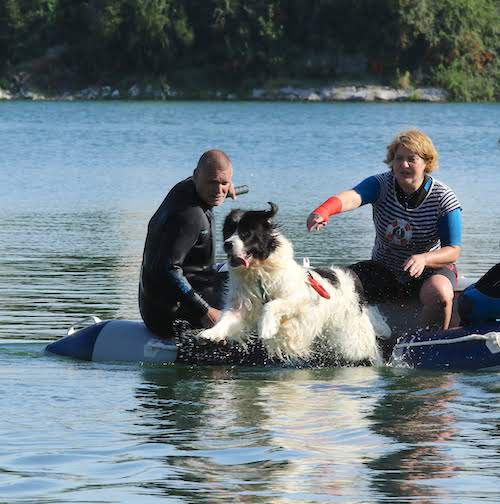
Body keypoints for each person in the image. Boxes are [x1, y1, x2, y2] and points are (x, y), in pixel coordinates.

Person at [306, 129, 462, 330]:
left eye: (411, 159)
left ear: (426, 163)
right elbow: (353, 196)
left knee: (440, 293)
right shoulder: (381, 184)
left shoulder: (443, 198)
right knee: (338, 283)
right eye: (398, 159)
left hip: (428, 271)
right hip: (384, 270)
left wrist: (424, 258)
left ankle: (427, 345)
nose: (404, 165)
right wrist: (324, 211)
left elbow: (453, 251)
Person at [139, 149, 235, 338]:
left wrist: (221, 186)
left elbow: (213, 179)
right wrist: (205, 311)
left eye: (224, 183)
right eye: (212, 183)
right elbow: (167, 270)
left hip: (170, 297)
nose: (218, 191)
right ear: (195, 176)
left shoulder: (184, 188)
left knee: (248, 276)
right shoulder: (189, 216)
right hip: (170, 316)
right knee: (251, 297)